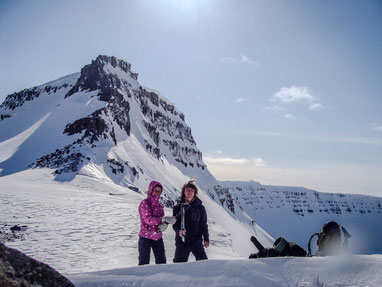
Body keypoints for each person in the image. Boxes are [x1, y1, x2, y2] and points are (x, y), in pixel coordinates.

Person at [138, 180, 176, 265]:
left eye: (159, 191)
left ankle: (161, 278)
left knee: (162, 262)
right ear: (151, 190)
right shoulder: (144, 203)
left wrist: (164, 224)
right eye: (156, 190)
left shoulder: (160, 206)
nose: (157, 193)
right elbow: (148, 219)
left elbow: (160, 221)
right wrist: (163, 220)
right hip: (145, 237)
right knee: (143, 263)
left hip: (157, 237)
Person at [172, 180, 209, 263]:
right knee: (179, 266)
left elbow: (203, 225)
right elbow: (175, 223)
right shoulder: (178, 207)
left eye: (191, 190)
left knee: (203, 264)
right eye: (187, 190)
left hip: (196, 241)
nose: (189, 192)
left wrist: (206, 239)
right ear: (183, 192)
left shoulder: (200, 208)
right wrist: (179, 231)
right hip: (182, 241)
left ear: (194, 193)